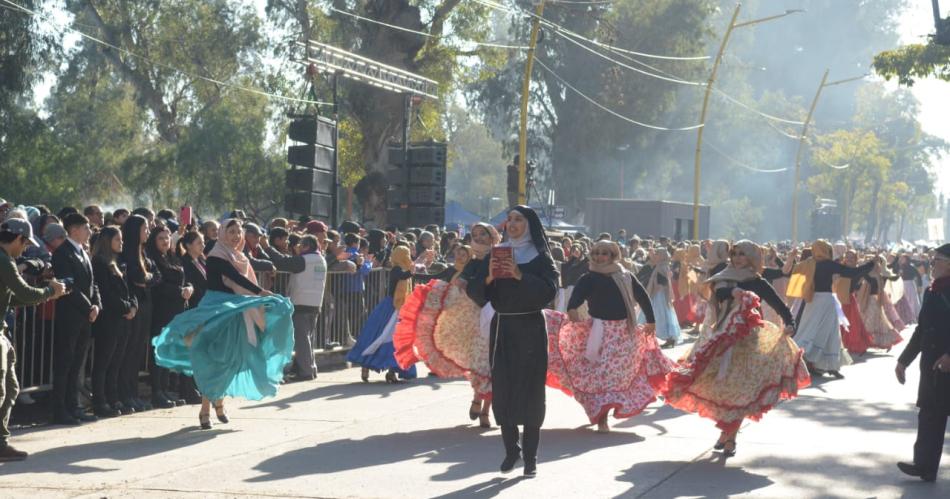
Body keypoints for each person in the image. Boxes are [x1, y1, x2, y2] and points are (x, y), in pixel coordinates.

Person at [662, 240, 809, 458]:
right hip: (723, 340)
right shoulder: (724, 276)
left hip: (750, 342)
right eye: (735, 253)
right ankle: (726, 434)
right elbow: (720, 295)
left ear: (751, 257)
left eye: (742, 254)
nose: (737, 257)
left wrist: (790, 324)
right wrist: (735, 293)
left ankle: (730, 438)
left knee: (743, 389)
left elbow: (780, 306)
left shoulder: (757, 281)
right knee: (721, 388)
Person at [152, 218, 295, 430]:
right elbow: (234, 277)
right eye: (231, 232)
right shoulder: (216, 256)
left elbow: (245, 275)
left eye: (239, 232)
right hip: (216, 309)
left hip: (234, 311)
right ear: (222, 234)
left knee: (230, 359)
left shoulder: (239, 256)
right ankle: (206, 408)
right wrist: (260, 292)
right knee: (213, 358)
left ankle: (218, 403)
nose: (236, 236)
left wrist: (260, 293)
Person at [466, 206, 559, 477]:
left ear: (530, 224)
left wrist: (520, 275)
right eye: (511, 219)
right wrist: (489, 277)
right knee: (503, 387)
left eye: (520, 219)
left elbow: (550, 291)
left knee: (531, 389)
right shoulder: (497, 253)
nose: (514, 224)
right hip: (503, 326)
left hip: (530, 326)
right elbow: (475, 291)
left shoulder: (540, 256)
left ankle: (531, 457)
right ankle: (511, 450)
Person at [546, 240, 672, 433]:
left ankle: (610, 407)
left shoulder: (625, 276)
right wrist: (571, 309)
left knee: (620, 372)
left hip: (624, 331)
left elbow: (643, 297)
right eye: (595, 253)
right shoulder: (589, 278)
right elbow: (576, 298)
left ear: (613, 256)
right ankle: (602, 415)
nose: (599, 257)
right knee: (603, 373)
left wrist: (651, 320)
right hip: (599, 331)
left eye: (604, 253)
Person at [394, 245, 493, 427]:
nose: (462, 256)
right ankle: (478, 399)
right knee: (479, 362)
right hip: (469, 319)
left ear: (492, 239)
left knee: (492, 364)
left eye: (484, 236)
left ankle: (485, 408)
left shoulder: (500, 259)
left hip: (496, 313)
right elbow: (440, 281)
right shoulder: (467, 267)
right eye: (459, 253)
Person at [1, 219, 66, 461]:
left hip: (2, 332)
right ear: (18, 239)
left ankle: (1, 442)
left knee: (10, 387)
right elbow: (24, 293)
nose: (26, 248)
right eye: (26, 242)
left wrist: (48, 294)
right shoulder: (4, 260)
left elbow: (11, 299)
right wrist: (50, 291)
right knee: (2, 389)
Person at [896, 243, 950, 483]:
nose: (931, 264)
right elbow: (921, 329)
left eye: (936, 260)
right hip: (932, 364)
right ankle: (924, 465)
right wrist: (903, 360)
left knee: (935, 414)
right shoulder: (931, 290)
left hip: (947, 361)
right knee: (929, 414)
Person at [786, 240, 873, 378]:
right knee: (829, 331)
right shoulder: (827, 264)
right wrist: (871, 264)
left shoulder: (808, 264)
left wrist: (791, 259)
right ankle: (819, 364)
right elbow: (851, 272)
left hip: (812, 301)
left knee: (811, 330)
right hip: (825, 300)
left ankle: (817, 364)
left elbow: (789, 272)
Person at [50, 213, 102, 425]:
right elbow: (69, 284)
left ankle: (74, 406)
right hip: (70, 315)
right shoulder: (63, 253)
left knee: (77, 363)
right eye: (86, 227)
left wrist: (97, 304)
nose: (90, 231)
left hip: (85, 316)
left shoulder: (83, 251)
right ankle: (60, 409)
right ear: (73, 230)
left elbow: (92, 283)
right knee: (65, 363)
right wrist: (88, 306)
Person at [347, 245, 417, 383]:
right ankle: (366, 364)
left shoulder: (404, 269)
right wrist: (411, 272)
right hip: (391, 308)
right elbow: (402, 276)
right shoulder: (397, 269)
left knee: (397, 341)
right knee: (380, 336)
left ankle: (392, 372)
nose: (408, 257)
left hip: (400, 308)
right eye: (406, 254)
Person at [90, 226, 137, 417]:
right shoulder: (100, 263)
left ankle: (113, 397)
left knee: (117, 361)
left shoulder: (118, 262)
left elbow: (129, 288)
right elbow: (107, 294)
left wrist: (133, 306)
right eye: (118, 240)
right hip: (108, 320)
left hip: (123, 319)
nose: (121, 243)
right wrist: (127, 307)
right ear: (108, 241)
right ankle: (100, 401)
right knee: (104, 361)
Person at [146, 225, 194, 408]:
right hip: (162, 309)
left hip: (178, 309)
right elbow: (159, 285)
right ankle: (157, 391)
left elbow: (184, 276)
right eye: (161, 238)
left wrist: (189, 287)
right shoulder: (153, 259)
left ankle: (165, 390)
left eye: (167, 238)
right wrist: (179, 291)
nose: (165, 241)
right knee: (159, 350)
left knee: (169, 351)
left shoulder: (173, 257)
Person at [119, 215, 160, 413]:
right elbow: (136, 278)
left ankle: (133, 394)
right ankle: (125, 394)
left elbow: (155, 276)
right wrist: (147, 278)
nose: (148, 232)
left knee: (138, 352)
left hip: (147, 304)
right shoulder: (127, 252)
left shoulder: (144, 252)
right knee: (129, 351)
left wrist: (148, 278)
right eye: (145, 229)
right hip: (134, 305)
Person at [286, 235, 327, 381]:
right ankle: (311, 368)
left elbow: (282, 262)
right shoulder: (321, 259)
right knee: (308, 338)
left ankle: (305, 371)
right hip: (315, 303)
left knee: (302, 339)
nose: (297, 247)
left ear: (306, 246)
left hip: (301, 302)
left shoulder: (303, 259)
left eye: (300, 244)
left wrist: (265, 248)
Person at [177, 231, 207, 404]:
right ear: (188, 245)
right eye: (198, 242)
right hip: (193, 310)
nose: (202, 246)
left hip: (203, 310)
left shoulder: (202, 260)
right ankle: (187, 389)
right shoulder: (185, 263)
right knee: (190, 350)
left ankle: (197, 385)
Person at [640, 248, 681, 348]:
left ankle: (668, 338)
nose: (656, 255)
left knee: (660, 314)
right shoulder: (661, 265)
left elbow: (665, 281)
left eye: (657, 254)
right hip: (658, 293)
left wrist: (657, 286)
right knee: (660, 314)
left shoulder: (662, 266)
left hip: (659, 294)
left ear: (662, 255)